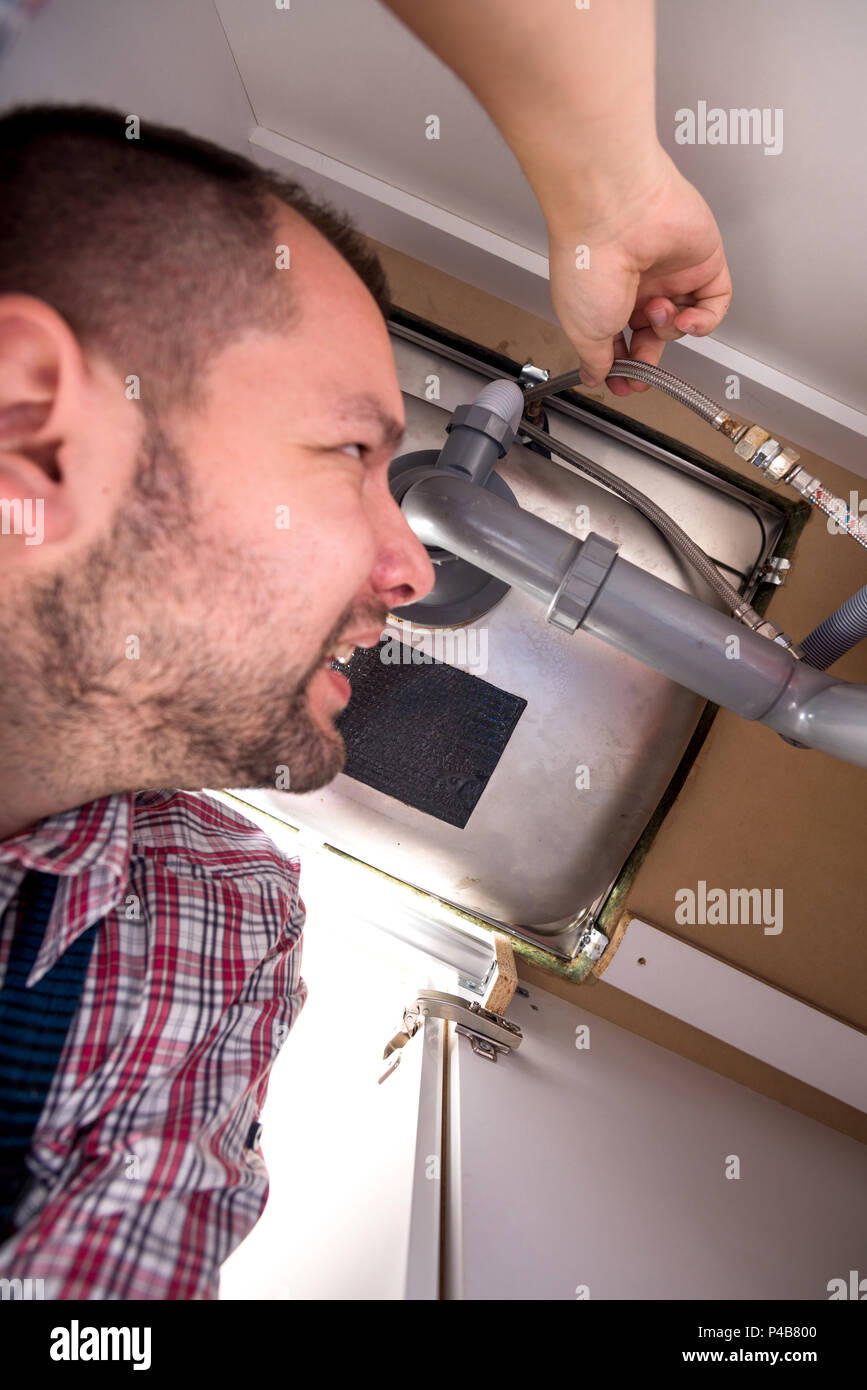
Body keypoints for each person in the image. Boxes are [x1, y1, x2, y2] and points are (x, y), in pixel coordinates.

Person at [0, 0, 731, 1297]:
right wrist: (603, 172)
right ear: (32, 431)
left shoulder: (214, 910)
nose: (408, 567)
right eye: (350, 450)